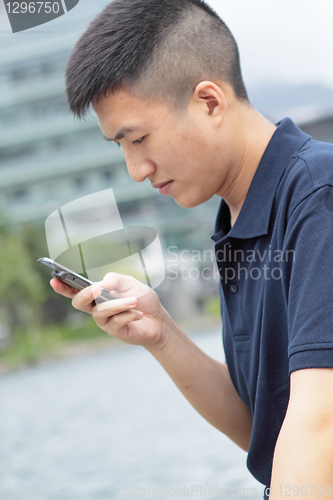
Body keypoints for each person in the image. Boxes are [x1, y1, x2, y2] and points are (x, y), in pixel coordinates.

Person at [51, 0, 333, 497]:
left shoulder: (318, 195)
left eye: (138, 138)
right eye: (119, 146)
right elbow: (264, 432)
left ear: (209, 101)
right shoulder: (240, 221)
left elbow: (320, 427)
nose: (135, 169)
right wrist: (162, 334)